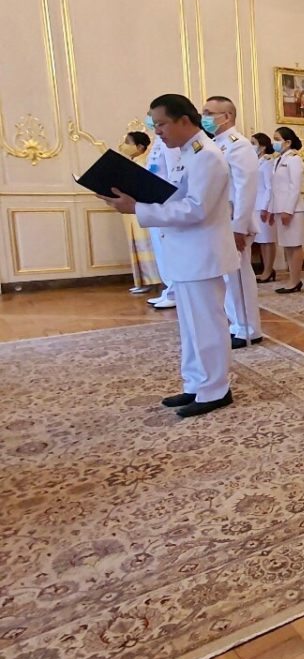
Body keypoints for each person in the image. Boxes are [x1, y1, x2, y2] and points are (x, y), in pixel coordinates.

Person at [101, 94, 239, 417]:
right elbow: (173, 196)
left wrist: (138, 208)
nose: (157, 131)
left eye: (161, 124)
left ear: (184, 121)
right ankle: (196, 383)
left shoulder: (206, 155)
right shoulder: (186, 152)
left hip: (201, 255)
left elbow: (196, 209)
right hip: (186, 252)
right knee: (191, 328)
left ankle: (215, 389)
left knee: (207, 325)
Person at [203, 96, 263, 350]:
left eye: (209, 112)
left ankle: (249, 328)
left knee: (238, 277)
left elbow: (245, 188)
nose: (204, 117)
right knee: (227, 277)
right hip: (219, 220)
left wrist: (239, 226)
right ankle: (237, 323)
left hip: (234, 221)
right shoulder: (216, 144)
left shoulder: (239, 145)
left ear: (227, 116)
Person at [118, 131, 163, 295]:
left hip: (141, 208)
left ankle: (152, 280)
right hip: (130, 211)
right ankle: (142, 280)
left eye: (128, 142)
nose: (124, 145)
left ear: (140, 146)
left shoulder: (145, 162)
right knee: (136, 245)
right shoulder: (132, 162)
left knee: (147, 245)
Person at [143, 116, 181, 309]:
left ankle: (174, 291)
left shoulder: (171, 144)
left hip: (165, 202)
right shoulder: (157, 142)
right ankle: (168, 289)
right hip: (154, 201)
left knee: (169, 249)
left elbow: (174, 173)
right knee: (160, 249)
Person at [269, 126, 304, 293]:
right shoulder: (278, 159)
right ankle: (292, 279)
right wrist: (272, 209)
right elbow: (275, 188)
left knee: (294, 245)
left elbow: (294, 187)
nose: (274, 142)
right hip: (280, 208)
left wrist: (288, 210)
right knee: (287, 246)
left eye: (277, 139)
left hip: (292, 210)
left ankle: (295, 280)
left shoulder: (294, 159)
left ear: (288, 142)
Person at [251, 133, 276, 281]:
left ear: (263, 146)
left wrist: (265, 207)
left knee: (267, 239)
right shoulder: (255, 161)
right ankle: (266, 269)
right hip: (254, 205)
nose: (251, 146)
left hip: (263, 204)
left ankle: (268, 270)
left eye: (253, 143)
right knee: (261, 240)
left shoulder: (267, 162)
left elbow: (269, 187)